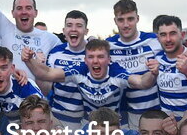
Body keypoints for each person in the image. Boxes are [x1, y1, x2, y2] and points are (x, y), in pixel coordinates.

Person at [23, 39, 158, 119]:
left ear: (109, 60)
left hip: (115, 125)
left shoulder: (116, 73)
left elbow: (142, 82)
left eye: (100, 56)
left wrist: (153, 73)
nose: (95, 61)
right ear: (85, 60)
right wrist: (29, 60)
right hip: (89, 126)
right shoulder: (79, 71)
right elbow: (46, 73)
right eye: (91, 57)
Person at [107, 0, 161, 128]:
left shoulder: (153, 40)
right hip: (127, 115)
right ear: (115, 21)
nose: (126, 25)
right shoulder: (109, 45)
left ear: (137, 18)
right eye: (121, 20)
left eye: (130, 19)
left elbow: (177, 51)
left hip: (157, 112)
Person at [152, 15, 187, 120]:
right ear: (158, 38)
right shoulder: (157, 58)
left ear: (182, 35)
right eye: (163, 35)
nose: (168, 39)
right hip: (166, 124)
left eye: (172, 34)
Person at [45, 10, 89, 127]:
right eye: (69, 25)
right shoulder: (55, 53)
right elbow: (46, 88)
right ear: (64, 31)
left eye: (79, 26)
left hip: (87, 119)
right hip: (58, 118)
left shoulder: (95, 53)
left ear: (86, 31)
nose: (73, 29)